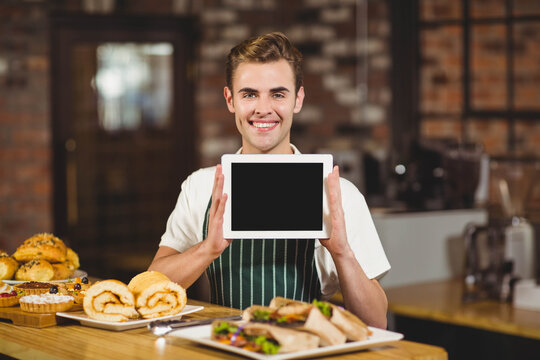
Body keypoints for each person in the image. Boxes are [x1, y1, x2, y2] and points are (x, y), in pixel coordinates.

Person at [148, 32, 390, 328]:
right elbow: (152, 287)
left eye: (278, 94)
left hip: (303, 350)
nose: (263, 108)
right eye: (249, 94)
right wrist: (207, 249)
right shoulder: (200, 187)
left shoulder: (338, 194)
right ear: (230, 100)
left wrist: (342, 253)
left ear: (297, 99)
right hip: (224, 348)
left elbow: (376, 322)